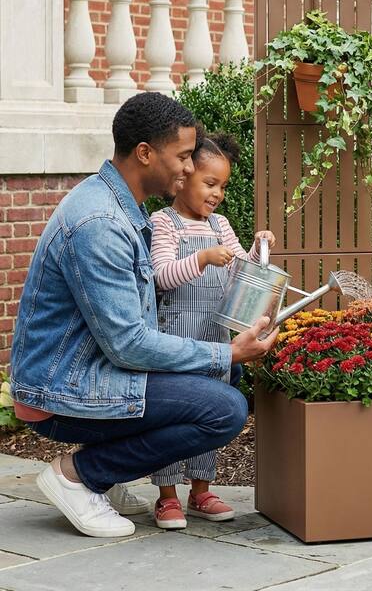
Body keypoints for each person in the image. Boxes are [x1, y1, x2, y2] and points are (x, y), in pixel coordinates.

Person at [9, 92, 278, 538]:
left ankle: (102, 480)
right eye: (184, 156)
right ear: (146, 153)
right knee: (224, 409)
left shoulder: (121, 206)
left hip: (84, 371)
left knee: (201, 391)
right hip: (58, 389)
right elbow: (129, 343)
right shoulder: (100, 222)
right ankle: (78, 476)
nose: (191, 169)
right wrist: (225, 354)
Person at [148, 131, 275, 529]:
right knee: (172, 418)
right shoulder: (164, 223)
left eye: (223, 185)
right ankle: (167, 496)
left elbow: (243, 271)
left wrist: (258, 248)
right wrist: (202, 258)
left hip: (216, 340)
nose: (217, 193)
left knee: (213, 413)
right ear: (183, 177)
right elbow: (161, 276)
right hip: (176, 340)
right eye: (210, 183)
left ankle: (200, 490)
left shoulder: (220, 225)